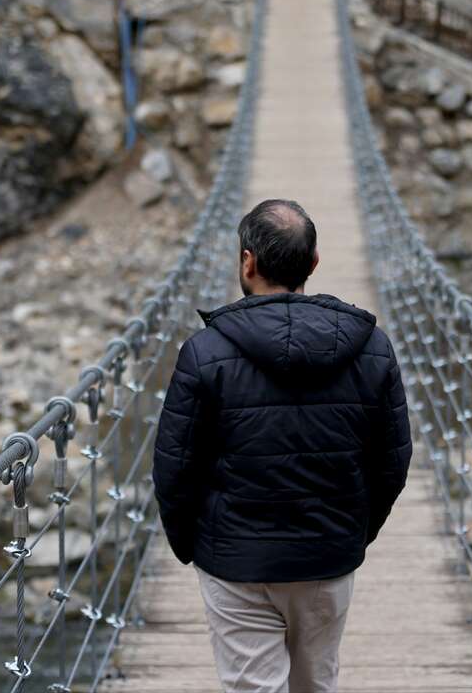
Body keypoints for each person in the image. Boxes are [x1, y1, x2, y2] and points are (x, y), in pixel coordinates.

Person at [152, 198, 413, 693]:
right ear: (313, 263)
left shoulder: (204, 353)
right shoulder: (373, 348)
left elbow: (173, 468)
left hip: (235, 560)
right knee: (316, 684)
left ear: (247, 262)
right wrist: (353, 534)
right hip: (327, 555)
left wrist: (196, 547)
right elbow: (393, 462)